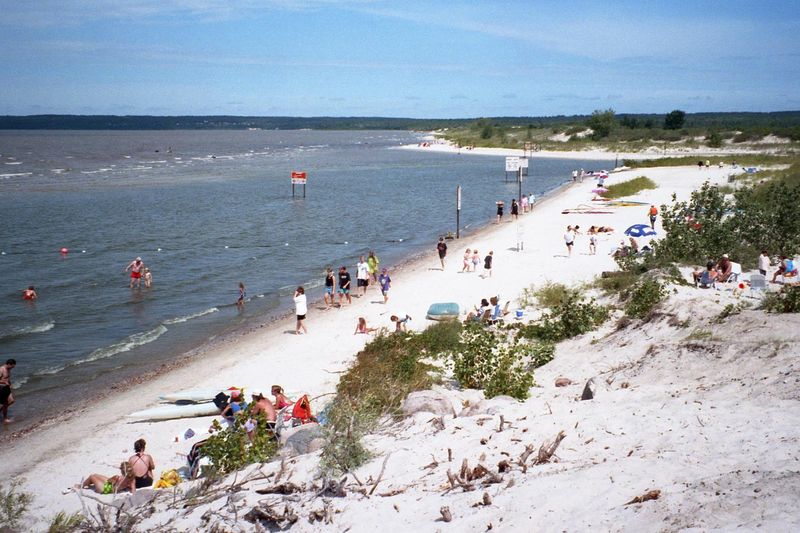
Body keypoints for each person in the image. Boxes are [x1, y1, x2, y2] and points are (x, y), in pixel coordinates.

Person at [1, 359, 16, 423]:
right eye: (12, 366)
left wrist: (10, 384)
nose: (12, 368)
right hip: (1, 388)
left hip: (7, 388)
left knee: (11, 401)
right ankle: (5, 419)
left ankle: (2, 410)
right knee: (5, 403)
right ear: (9, 364)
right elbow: (3, 380)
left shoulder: (8, 369)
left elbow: (7, 378)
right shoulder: (1, 369)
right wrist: (4, 382)